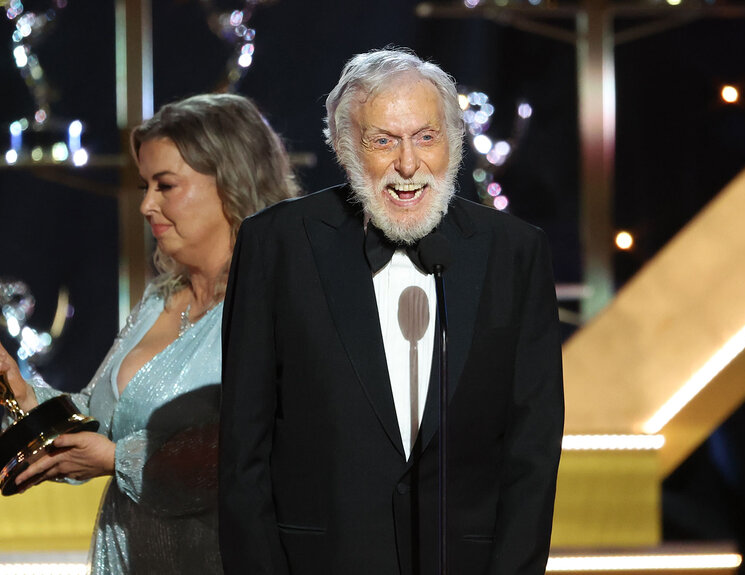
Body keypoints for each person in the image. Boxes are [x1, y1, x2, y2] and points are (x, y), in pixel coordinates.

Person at [219, 48, 564, 574]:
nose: (408, 164)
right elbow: (243, 453)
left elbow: (533, 452)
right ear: (342, 147)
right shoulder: (277, 245)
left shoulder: (516, 252)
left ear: (455, 140)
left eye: (426, 137)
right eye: (383, 141)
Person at [0, 93, 297, 574]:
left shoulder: (279, 302)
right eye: (145, 185)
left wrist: (119, 460)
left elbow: (263, 447)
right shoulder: (160, 299)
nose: (146, 204)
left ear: (233, 183)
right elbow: (96, 423)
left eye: (165, 185)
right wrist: (20, 394)